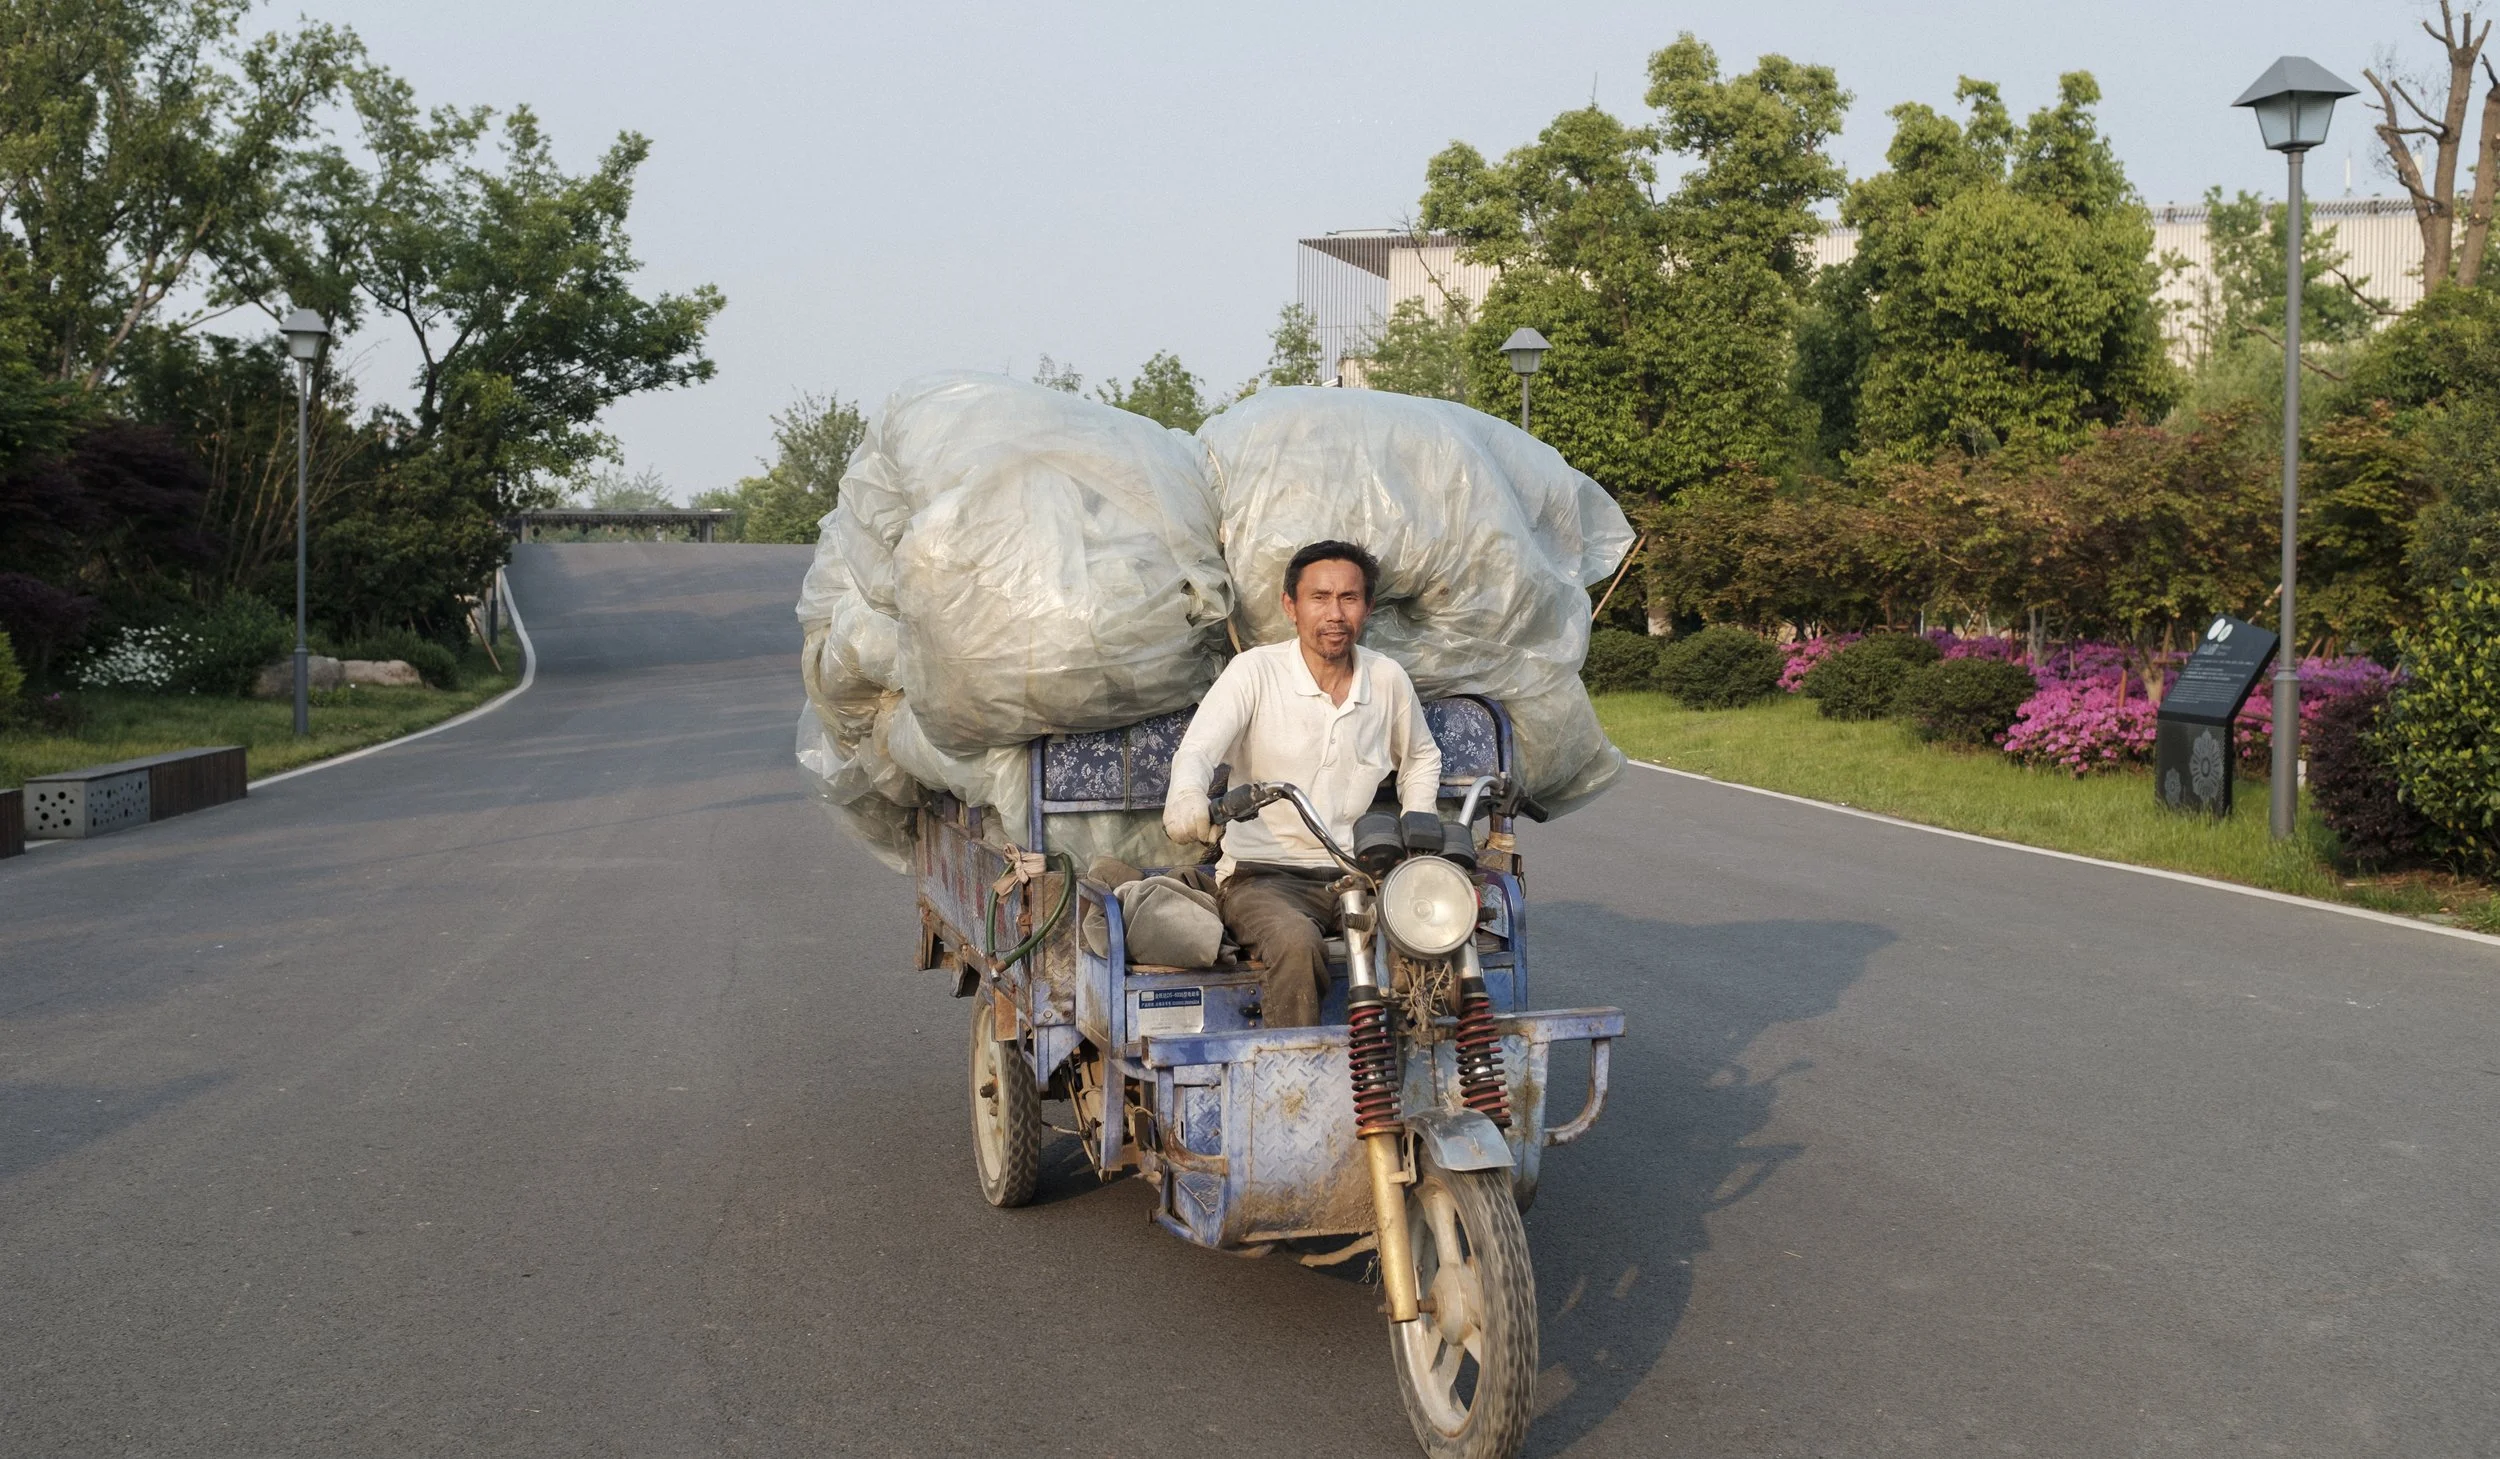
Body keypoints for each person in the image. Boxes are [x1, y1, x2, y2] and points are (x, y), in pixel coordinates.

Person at [1163, 540, 1443, 1027]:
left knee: (1430, 933)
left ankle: (1420, 1070)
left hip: (1358, 872)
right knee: (1295, 943)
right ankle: (1290, 1090)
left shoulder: (1387, 678)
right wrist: (1188, 798)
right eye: (1320, 597)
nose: (1335, 613)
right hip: (1264, 876)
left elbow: (1421, 756)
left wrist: (1417, 818)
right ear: (1291, 605)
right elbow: (1198, 750)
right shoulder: (1256, 671)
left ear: (1367, 607)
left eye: (1349, 598)